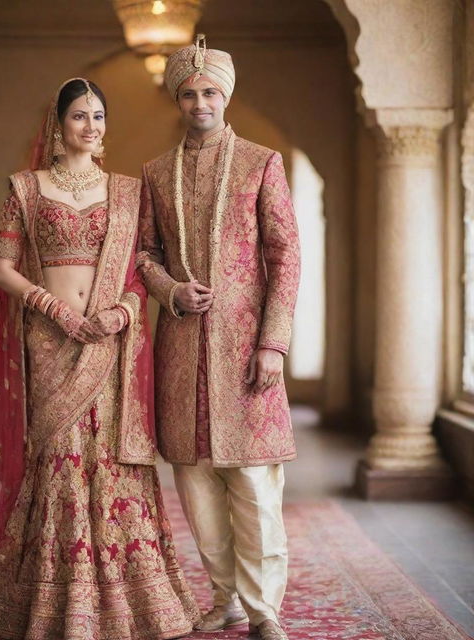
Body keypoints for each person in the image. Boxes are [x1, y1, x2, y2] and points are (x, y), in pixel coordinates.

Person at [0, 78, 199, 640]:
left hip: (107, 338)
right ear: (58, 124)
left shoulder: (128, 192)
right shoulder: (26, 189)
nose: (91, 126)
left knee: (109, 455)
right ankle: (48, 595)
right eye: (79, 116)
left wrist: (120, 316)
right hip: (49, 340)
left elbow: (139, 268)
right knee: (58, 453)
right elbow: (2, 268)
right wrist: (52, 307)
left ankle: (127, 597)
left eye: (99, 116)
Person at [136, 36, 301, 640]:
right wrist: (168, 290)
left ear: (225, 96)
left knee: (255, 488)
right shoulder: (155, 172)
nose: (200, 102)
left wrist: (273, 343)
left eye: (209, 92)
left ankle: (264, 612)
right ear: (177, 100)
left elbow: (286, 256)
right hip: (182, 351)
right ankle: (224, 598)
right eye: (189, 93)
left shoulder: (262, 164)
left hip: (245, 351)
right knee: (196, 484)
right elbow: (144, 253)